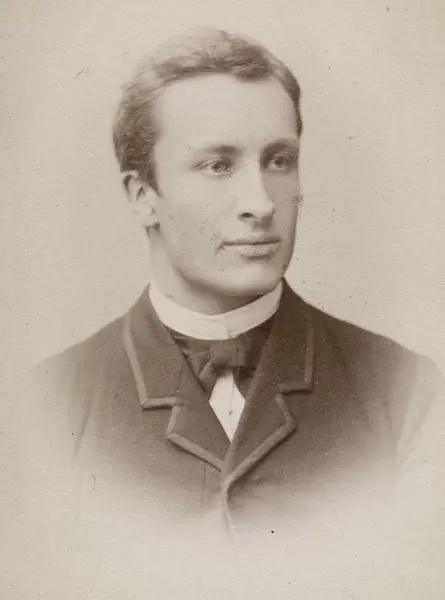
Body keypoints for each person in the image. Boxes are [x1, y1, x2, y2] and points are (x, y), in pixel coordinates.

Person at [27, 27, 443, 532]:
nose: (262, 203)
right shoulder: (43, 409)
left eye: (279, 161)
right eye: (218, 165)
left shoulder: (406, 392)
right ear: (143, 197)